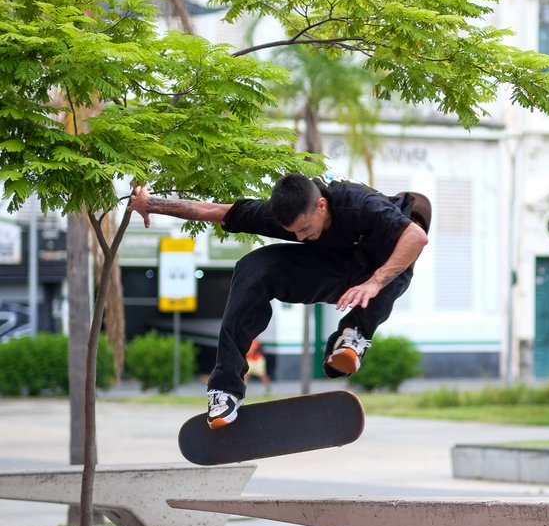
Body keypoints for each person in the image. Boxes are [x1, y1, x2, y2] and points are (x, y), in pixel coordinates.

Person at [128, 174, 430, 429]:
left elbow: (416, 237)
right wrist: (150, 204)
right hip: (331, 271)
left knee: (398, 266)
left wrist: (374, 281)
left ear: (321, 205)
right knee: (251, 267)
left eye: (305, 228)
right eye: (293, 232)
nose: (300, 238)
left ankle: (354, 334)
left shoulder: (357, 203)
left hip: (381, 266)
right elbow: (213, 210)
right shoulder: (278, 215)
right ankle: (225, 388)